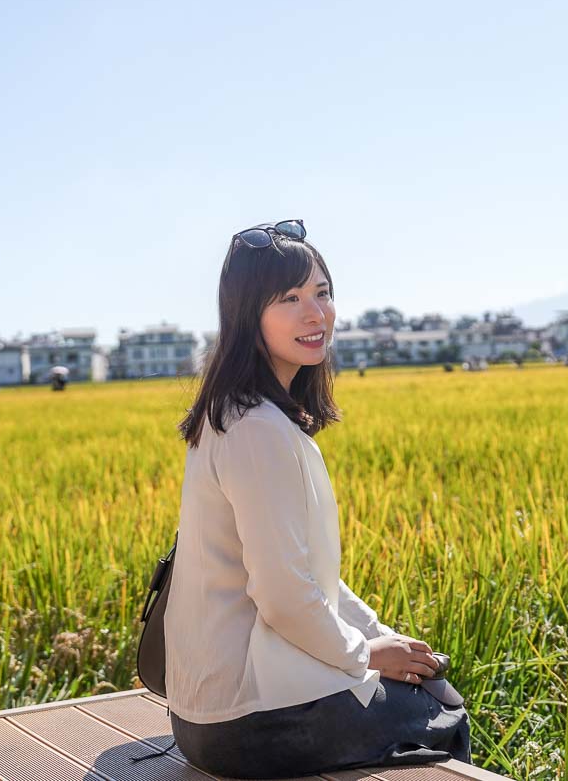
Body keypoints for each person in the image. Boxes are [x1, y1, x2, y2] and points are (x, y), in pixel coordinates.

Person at [167, 220, 470, 778]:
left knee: (421, 679)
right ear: (247, 315)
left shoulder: (237, 412)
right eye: (289, 299)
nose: (316, 314)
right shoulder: (257, 428)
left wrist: (377, 633)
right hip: (247, 719)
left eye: (322, 293)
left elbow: (303, 574)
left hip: (210, 710)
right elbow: (283, 595)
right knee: (442, 709)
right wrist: (366, 654)